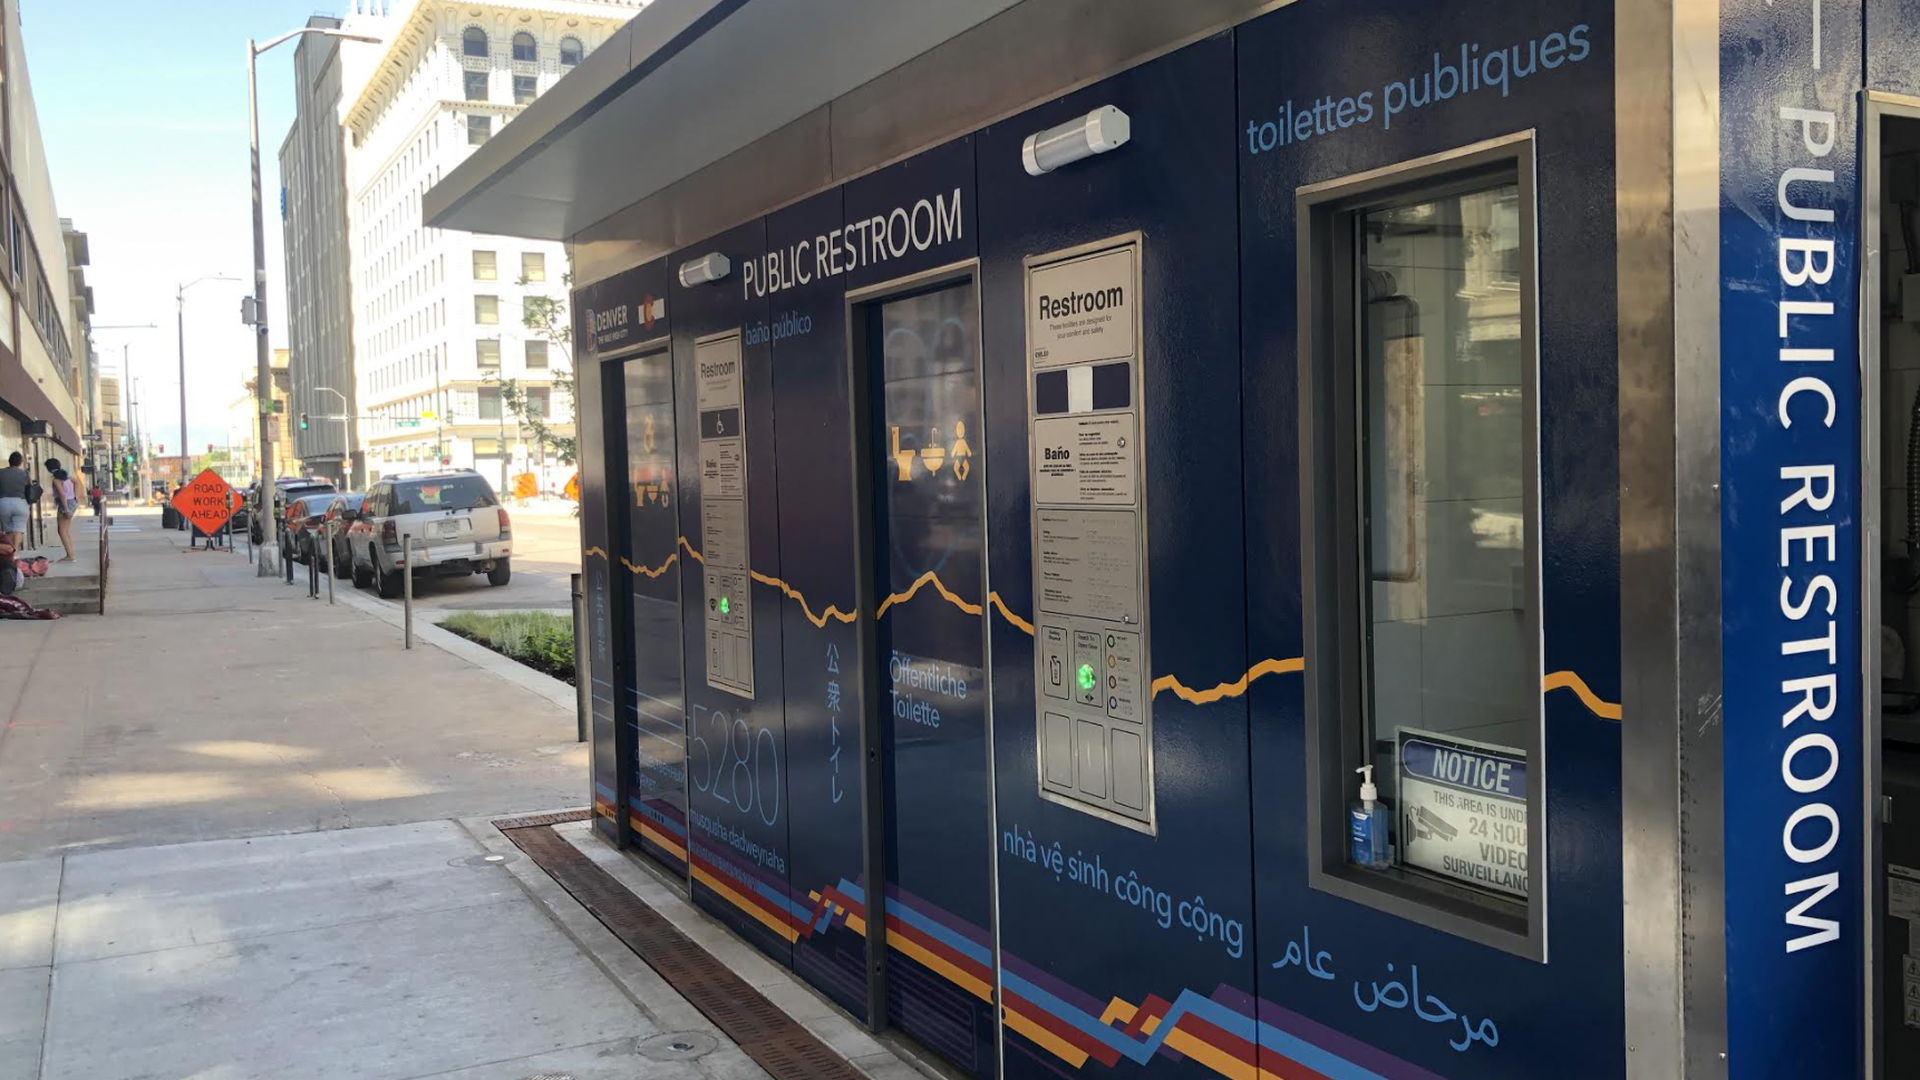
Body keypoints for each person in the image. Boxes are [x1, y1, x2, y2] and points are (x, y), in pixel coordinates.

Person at [44, 458, 75, 562]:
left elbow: (62, 494)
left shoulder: (56, 479)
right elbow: (76, 481)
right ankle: (70, 553)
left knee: (61, 531)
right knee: (66, 531)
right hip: (72, 502)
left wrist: (66, 509)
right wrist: (76, 496)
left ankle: (70, 555)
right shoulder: (67, 477)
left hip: (65, 504)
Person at [0, 452, 28, 550]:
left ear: (9, 461)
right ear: (20, 462)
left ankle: (9, 552)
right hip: (20, 502)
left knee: (8, 531)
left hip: (4, 503)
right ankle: (16, 552)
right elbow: (28, 488)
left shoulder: (1, 472)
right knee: (19, 529)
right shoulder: (25, 473)